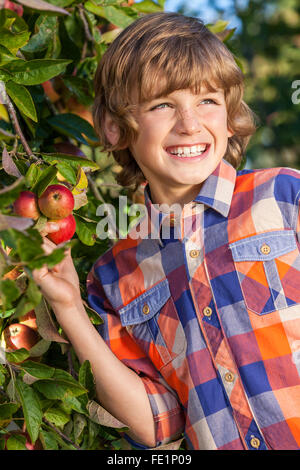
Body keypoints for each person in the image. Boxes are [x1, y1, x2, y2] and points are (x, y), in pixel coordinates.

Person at [33, 12, 300, 450]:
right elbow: (156, 423)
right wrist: (70, 309)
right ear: (116, 129)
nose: (190, 124)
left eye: (207, 101)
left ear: (230, 116)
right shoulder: (114, 276)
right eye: (163, 105)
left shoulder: (285, 197)